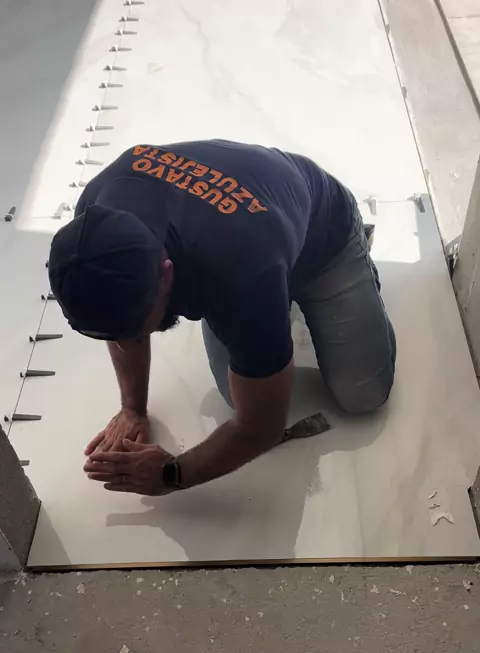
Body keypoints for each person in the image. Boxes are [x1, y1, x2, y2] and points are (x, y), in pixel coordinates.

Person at [48, 140, 396, 496]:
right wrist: (132, 408)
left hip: (324, 238)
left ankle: (358, 260)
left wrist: (171, 474)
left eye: (136, 329)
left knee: (363, 395)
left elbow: (263, 426)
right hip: (261, 242)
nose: (125, 343)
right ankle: (276, 297)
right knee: (235, 395)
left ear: (166, 274)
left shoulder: (239, 270)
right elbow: (119, 313)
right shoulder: (91, 231)